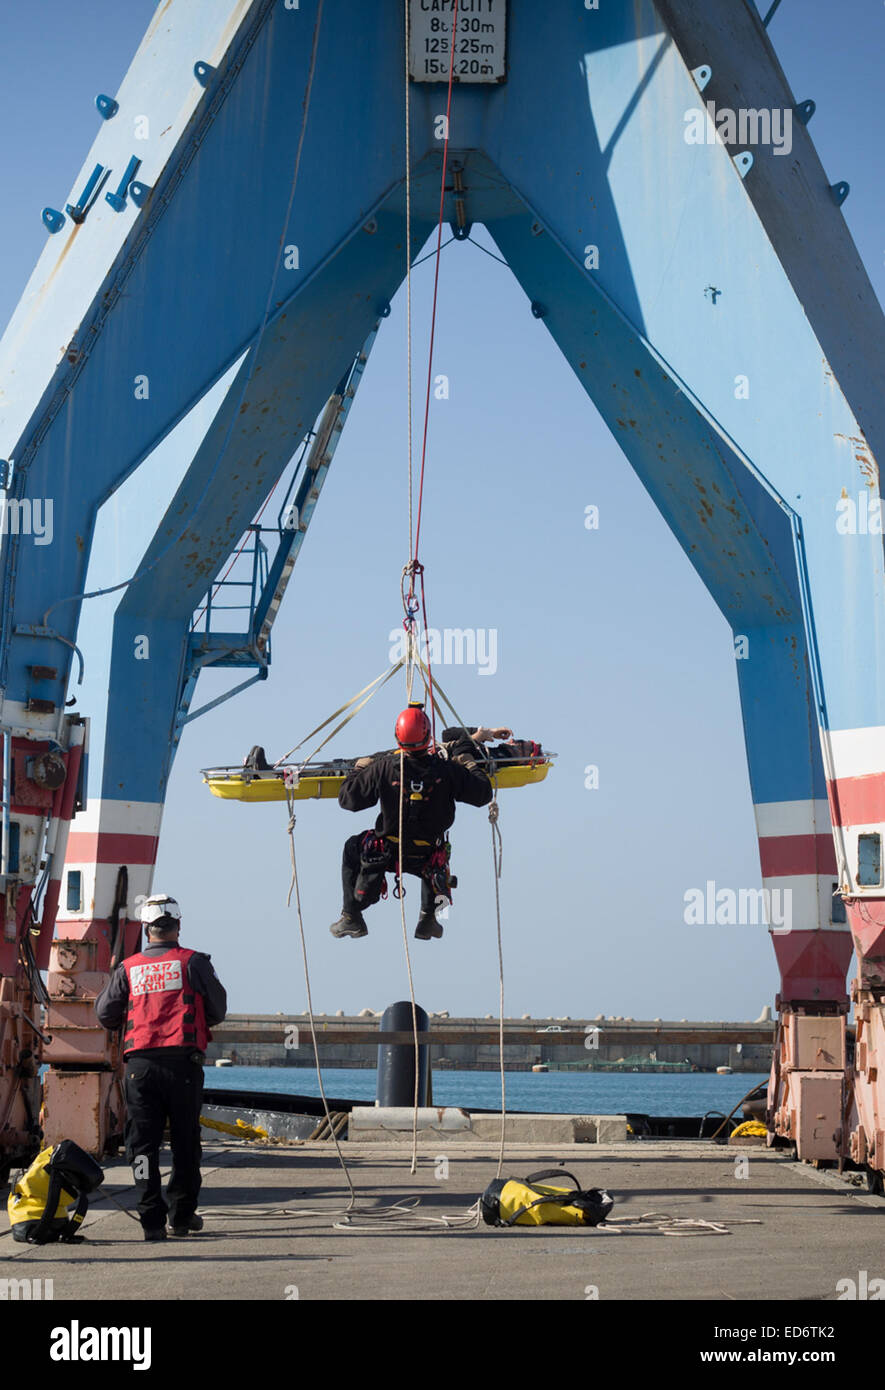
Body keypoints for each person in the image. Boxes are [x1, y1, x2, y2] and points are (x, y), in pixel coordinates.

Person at [94, 893, 227, 1242]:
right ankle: (181, 1217)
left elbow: (105, 1014)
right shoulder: (194, 963)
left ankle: (151, 1221)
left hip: (140, 1068)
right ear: (178, 926)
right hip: (183, 1066)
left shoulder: (129, 967)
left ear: (146, 928)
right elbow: (217, 1009)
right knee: (185, 1144)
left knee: (142, 1147)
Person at [329, 703, 512, 941]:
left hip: (387, 851)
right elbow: (482, 794)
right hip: (427, 854)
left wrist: (358, 770)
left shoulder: (384, 767)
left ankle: (351, 917)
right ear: (428, 737)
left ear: (397, 737)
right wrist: (467, 761)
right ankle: (428, 920)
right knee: (438, 859)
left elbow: (348, 800)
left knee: (352, 847)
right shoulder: (446, 770)